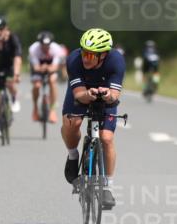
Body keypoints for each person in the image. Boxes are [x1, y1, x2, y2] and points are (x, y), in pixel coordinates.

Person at [61, 28, 125, 209]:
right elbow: (79, 95)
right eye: (84, 53)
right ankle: (73, 155)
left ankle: (108, 187)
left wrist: (106, 95)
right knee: (72, 123)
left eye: (90, 56)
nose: (85, 58)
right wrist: (88, 93)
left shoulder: (116, 61)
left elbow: (114, 96)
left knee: (106, 138)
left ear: (103, 55)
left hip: (105, 95)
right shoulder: (74, 60)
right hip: (82, 91)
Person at [0, 17, 23, 138]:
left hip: (9, 67)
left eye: (1, 29)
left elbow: (17, 57)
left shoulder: (12, 39)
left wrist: (17, 74)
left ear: (6, 28)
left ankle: (14, 98)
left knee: (10, 83)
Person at [29, 31, 62, 124]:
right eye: (43, 45)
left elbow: (55, 67)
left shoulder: (56, 49)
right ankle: (35, 108)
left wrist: (47, 68)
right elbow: (35, 67)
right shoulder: (33, 49)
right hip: (38, 67)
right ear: (39, 44)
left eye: (48, 45)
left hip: (51, 67)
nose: (45, 47)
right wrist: (41, 68)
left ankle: (52, 110)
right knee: (37, 86)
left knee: (52, 81)